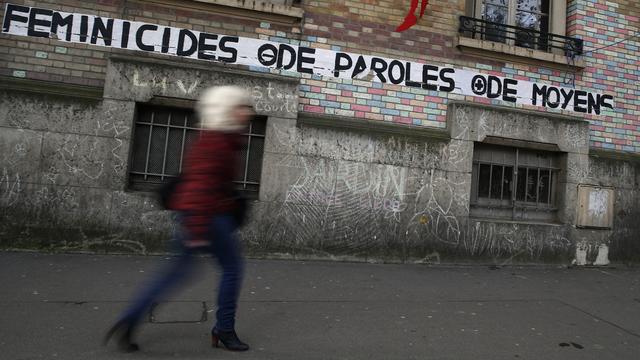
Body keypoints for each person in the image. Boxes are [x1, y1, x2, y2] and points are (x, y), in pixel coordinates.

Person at [104, 86, 254, 353]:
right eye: (241, 106)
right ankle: (224, 330)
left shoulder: (220, 139)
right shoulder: (216, 142)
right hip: (208, 219)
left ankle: (130, 319)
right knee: (232, 269)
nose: (247, 111)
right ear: (227, 110)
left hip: (199, 216)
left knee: (174, 273)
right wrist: (196, 231)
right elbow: (199, 186)